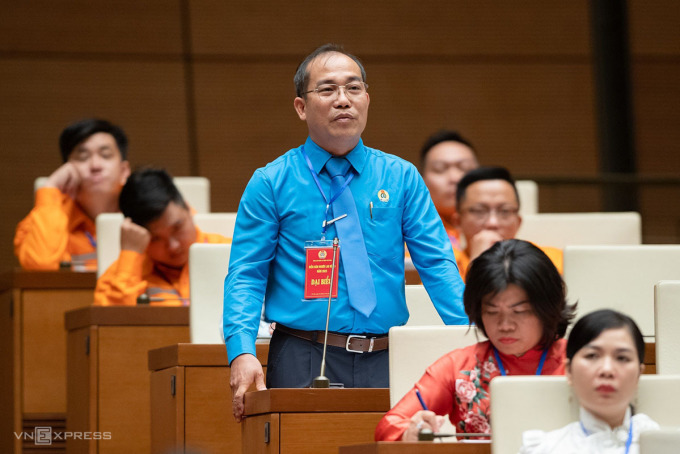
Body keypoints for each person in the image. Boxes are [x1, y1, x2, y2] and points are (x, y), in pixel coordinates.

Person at [224, 43, 466, 421]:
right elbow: (246, 274)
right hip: (302, 353)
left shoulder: (400, 177)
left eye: (354, 89)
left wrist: (472, 340)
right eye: (327, 90)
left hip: (387, 356)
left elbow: (438, 266)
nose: (343, 100)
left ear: (367, 99)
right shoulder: (271, 182)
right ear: (301, 107)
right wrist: (241, 350)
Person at [375, 239, 576, 441]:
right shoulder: (458, 367)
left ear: (549, 308)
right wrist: (410, 432)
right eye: (492, 311)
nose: (505, 325)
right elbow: (387, 427)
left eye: (520, 312)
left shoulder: (579, 361)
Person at [519, 309, 659, 453]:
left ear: (639, 374)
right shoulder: (544, 449)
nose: (607, 370)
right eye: (592, 356)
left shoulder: (664, 445)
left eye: (622, 358)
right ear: (569, 370)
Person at [94, 168, 228, 306]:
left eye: (177, 227)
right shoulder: (118, 276)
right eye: (156, 238)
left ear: (188, 208)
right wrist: (130, 254)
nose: (173, 246)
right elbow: (110, 323)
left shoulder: (231, 253)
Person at [14, 118, 131, 270]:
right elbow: (40, 267)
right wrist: (51, 186)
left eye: (105, 155)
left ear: (124, 171)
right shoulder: (41, 219)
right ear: (67, 169)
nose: (95, 165)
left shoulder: (145, 216)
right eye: (83, 157)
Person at [454, 166, 563, 279]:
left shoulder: (549, 260)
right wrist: (477, 264)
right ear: (457, 221)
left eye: (505, 211)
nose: (493, 223)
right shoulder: (444, 265)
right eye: (479, 211)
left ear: (518, 222)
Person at [420, 129, 479, 250]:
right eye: (439, 169)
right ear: (422, 179)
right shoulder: (410, 234)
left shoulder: (496, 226)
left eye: (464, 168)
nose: (454, 178)